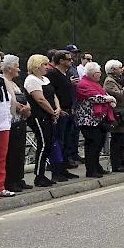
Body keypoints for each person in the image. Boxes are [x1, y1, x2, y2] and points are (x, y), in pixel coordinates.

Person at [24, 54, 62, 187]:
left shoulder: (45, 79)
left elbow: (53, 95)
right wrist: (52, 112)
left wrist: (57, 108)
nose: (47, 67)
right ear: (37, 66)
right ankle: (39, 175)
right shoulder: (31, 80)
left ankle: (43, 174)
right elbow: (40, 99)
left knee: (49, 144)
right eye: (44, 65)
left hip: (49, 115)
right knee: (43, 144)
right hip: (39, 116)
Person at [75, 62, 116, 178]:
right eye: (98, 72)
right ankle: (91, 169)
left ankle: (96, 166)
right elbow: (94, 98)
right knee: (92, 144)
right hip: (88, 120)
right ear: (93, 74)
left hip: (98, 119)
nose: (100, 74)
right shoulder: (83, 84)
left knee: (98, 144)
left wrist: (108, 98)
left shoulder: (95, 84)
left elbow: (103, 94)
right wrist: (109, 98)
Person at [46, 50, 79, 181]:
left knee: (67, 141)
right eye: (69, 59)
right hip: (60, 111)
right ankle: (57, 171)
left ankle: (64, 168)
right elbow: (52, 93)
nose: (71, 61)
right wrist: (57, 109)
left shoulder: (66, 74)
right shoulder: (52, 74)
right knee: (58, 142)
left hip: (68, 109)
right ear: (61, 61)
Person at [2, 54, 33, 193]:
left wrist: (26, 110)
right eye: (16, 66)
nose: (18, 69)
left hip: (21, 120)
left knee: (20, 151)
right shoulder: (4, 81)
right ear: (9, 68)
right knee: (12, 152)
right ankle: (10, 180)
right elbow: (10, 102)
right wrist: (22, 109)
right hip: (12, 121)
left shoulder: (14, 83)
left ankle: (19, 178)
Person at [104, 60, 124, 172]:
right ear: (112, 70)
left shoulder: (119, 80)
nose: (121, 70)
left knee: (123, 140)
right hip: (117, 113)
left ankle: (122, 161)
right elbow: (120, 95)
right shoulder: (109, 82)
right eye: (119, 68)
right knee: (117, 140)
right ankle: (116, 164)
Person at [0, 51, 15, 197]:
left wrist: (9, 119)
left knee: (0, 158)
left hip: (3, 125)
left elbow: (8, 102)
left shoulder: (2, 81)